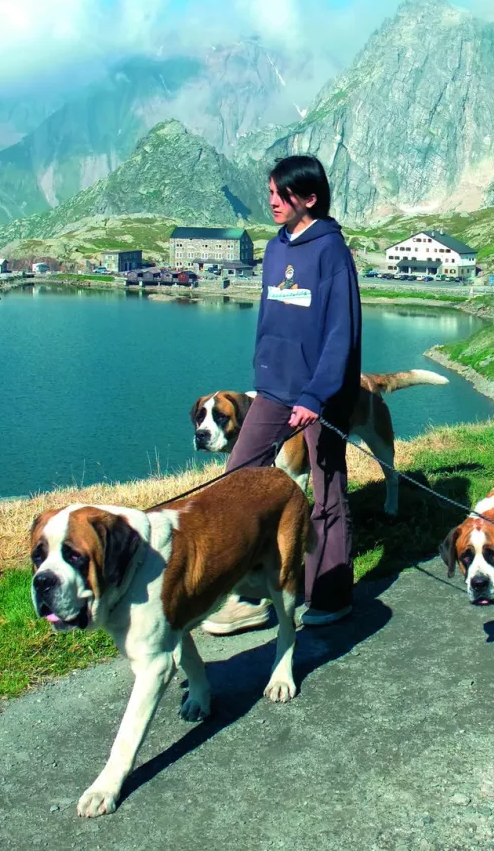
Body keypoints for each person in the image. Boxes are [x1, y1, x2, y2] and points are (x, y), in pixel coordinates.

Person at [202, 155, 362, 634]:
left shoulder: (331, 251)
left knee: (325, 491)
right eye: (269, 191)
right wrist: (264, 368)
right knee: (238, 479)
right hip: (273, 390)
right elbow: (271, 319)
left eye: (281, 193)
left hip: (321, 396)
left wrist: (315, 395)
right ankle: (254, 595)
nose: (271, 200)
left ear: (308, 198)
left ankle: (330, 594)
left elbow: (342, 333)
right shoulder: (275, 248)